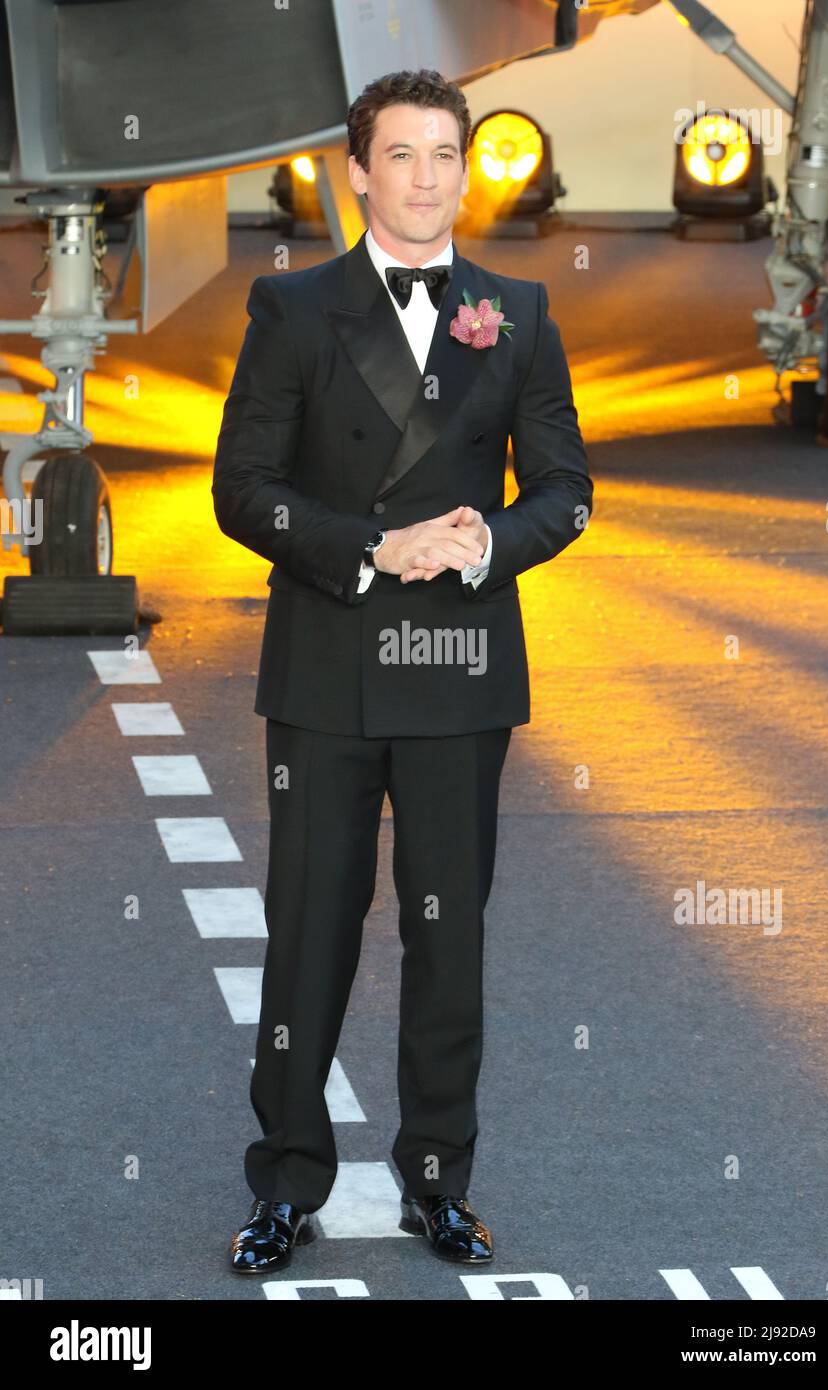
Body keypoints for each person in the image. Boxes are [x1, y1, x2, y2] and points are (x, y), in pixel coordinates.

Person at [212, 67, 593, 1273]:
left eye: (446, 155)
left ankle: (437, 1181)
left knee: (448, 943)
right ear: (357, 172)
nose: (426, 179)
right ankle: (287, 1184)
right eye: (403, 156)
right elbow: (242, 491)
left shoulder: (519, 312)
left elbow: (568, 493)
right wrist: (370, 547)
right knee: (307, 934)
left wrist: (489, 540)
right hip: (327, 667)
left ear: (463, 172)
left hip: (459, 669)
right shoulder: (292, 310)